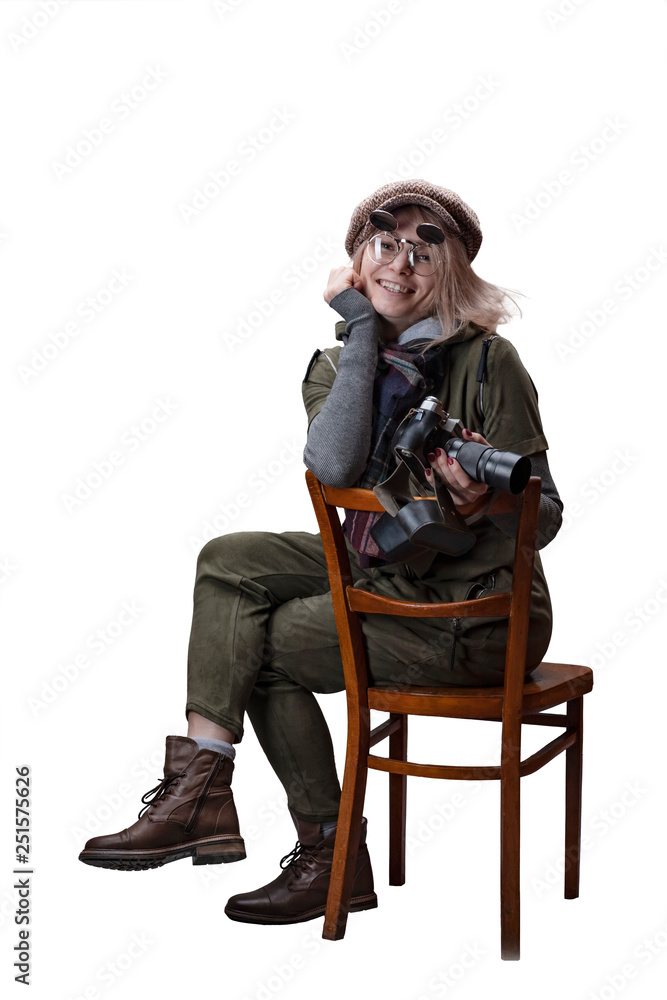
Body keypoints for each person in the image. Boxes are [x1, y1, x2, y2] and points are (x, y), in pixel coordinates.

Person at [78, 180, 562, 926]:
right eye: (382, 245)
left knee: (259, 649)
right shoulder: (336, 366)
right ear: (354, 266)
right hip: (386, 569)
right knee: (226, 556)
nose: (399, 264)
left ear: (453, 272)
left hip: (482, 611)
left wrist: (491, 499)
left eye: (422, 250)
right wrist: (362, 333)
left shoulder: (490, 361)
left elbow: (548, 515)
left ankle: (326, 855)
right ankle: (206, 790)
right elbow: (334, 465)